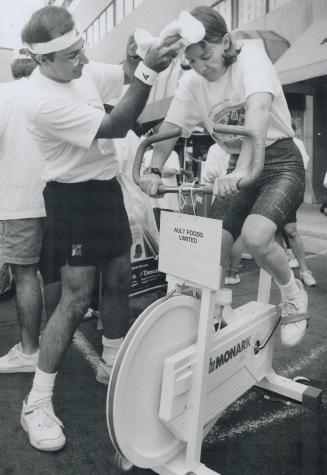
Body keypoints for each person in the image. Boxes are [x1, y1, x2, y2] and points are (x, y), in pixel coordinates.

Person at [19, 5, 182, 452]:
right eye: (72, 56)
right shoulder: (39, 99)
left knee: (120, 277)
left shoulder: (78, 68)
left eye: (81, 49)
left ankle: (112, 359)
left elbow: (127, 74)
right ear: (42, 60)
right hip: (71, 196)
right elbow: (116, 122)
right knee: (75, 298)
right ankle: (36, 401)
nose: (84, 61)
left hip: (106, 187)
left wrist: (146, 51)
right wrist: (147, 72)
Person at [140, 5, 309, 349]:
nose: (203, 66)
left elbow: (259, 111)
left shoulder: (252, 58)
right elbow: (171, 128)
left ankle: (293, 293)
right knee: (210, 246)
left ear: (226, 41)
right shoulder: (192, 83)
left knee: (257, 237)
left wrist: (246, 168)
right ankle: (212, 314)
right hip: (239, 161)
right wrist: (154, 168)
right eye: (193, 61)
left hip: (278, 159)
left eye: (207, 54)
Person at [0, 50, 45, 373]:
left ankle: (30, 351)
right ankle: (57, 338)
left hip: (20, 199)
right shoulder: (55, 91)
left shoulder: (4, 94)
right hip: (61, 194)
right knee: (57, 274)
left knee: (26, 275)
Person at [280, 123, 316, 287]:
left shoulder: (296, 142)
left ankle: (304, 270)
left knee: (290, 230)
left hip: (288, 189)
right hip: (268, 188)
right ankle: (283, 268)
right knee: (273, 231)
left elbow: (302, 166)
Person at [143, 132, 180, 230]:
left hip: (167, 196)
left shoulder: (172, 153)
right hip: (151, 196)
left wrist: (155, 173)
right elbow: (143, 171)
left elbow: (173, 170)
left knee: (167, 229)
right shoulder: (146, 154)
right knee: (153, 227)